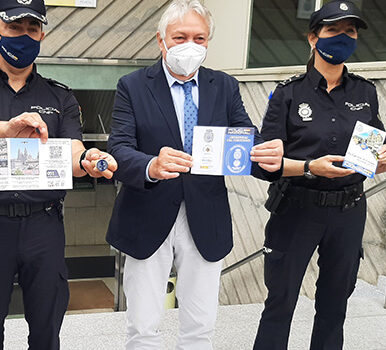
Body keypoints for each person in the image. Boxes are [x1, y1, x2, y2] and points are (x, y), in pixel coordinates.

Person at [105, 1, 284, 348]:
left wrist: (265, 152)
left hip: (205, 214)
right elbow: (119, 148)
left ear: (208, 42)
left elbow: (245, 137)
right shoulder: (133, 85)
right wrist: (150, 166)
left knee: (200, 326)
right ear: (161, 40)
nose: (190, 45)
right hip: (146, 211)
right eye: (180, 36)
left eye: (199, 38)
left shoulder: (225, 86)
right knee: (142, 326)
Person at [0, 0, 118, 348]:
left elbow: (72, 150)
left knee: (46, 328)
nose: (24, 36)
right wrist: (7, 129)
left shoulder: (60, 96)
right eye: (15, 27)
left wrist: (89, 159)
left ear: (42, 34)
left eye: (32, 28)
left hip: (44, 226)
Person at [252, 2, 386, 349]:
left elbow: (374, 147)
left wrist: (385, 158)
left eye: (350, 31)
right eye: (334, 30)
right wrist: (307, 167)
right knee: (280, 302)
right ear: (312, 38)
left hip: (348, 211)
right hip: (297, 209)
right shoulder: (288, 94)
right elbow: (262, 164)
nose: (343, 37)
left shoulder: (365, 92)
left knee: (335, 303)